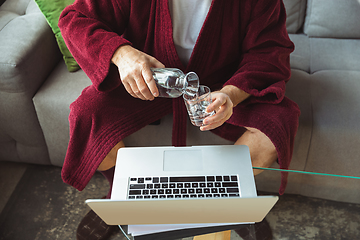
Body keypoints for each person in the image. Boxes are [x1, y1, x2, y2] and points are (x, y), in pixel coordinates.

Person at [59, 0, 300, 239]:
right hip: (151, 82)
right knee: (87, 114)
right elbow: (74, 19)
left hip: (222, 83)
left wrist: (230, 95)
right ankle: (122, 194)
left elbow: (269, 52)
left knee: (275, 127)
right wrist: (122, 54)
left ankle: (229, 200)